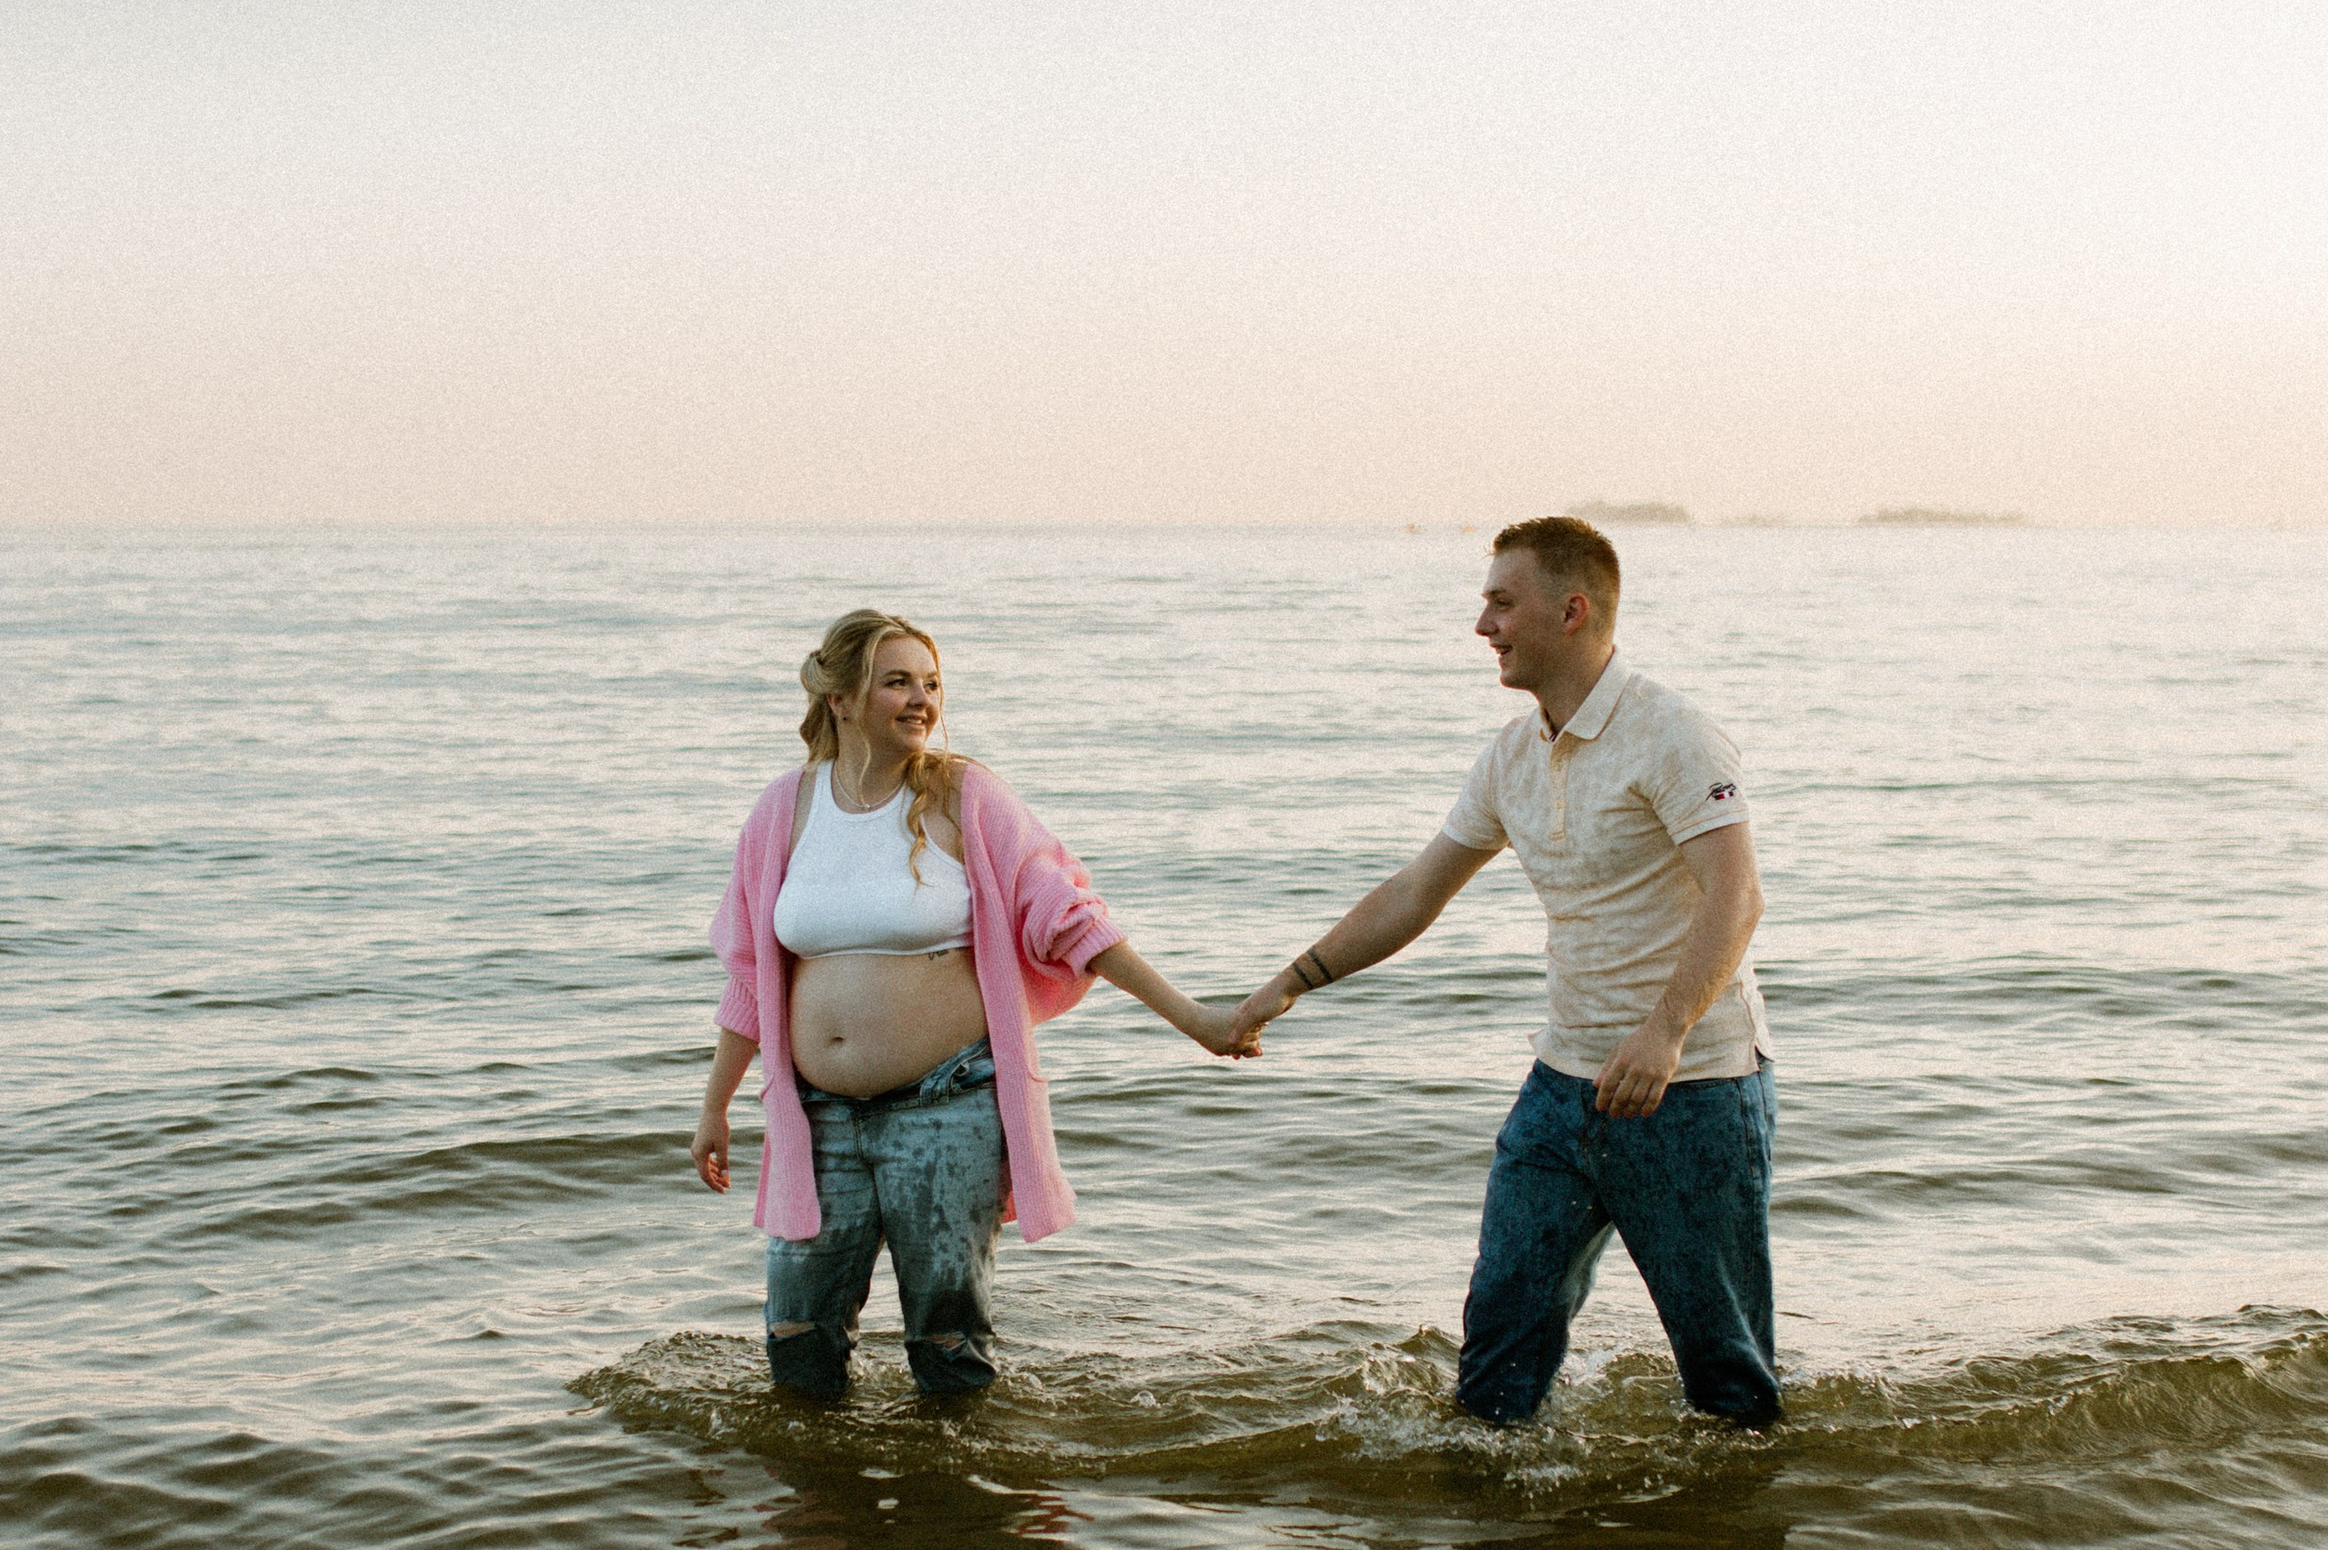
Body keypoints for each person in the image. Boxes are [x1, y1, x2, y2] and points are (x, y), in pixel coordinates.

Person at [1226, 518, 1778, 1429]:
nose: (1482, 624)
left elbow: (1739, 893)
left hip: (1694, 1088)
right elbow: (1415, 890)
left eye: (1500, 602)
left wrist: (1665, 1030)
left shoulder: (1674, 733)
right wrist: (1288, 984)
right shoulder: (1512, 756)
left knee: (1726, 1381)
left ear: (1572, 610)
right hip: (1562, 1090)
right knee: (1496, 1357)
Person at [695, 609, 1242, 1399]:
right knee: (798, 1340)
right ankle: (815, 1504)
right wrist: (714, 1106)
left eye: (932, 683)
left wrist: (1195, 1019)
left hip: (945, 1110)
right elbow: (750, 972)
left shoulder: (965, 797)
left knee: (948, 1343)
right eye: (898, 682)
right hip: (817, 1119)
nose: (922, 700)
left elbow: (1070, 920)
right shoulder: (784, 810)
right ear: (842, 700)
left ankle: (960, 1512)